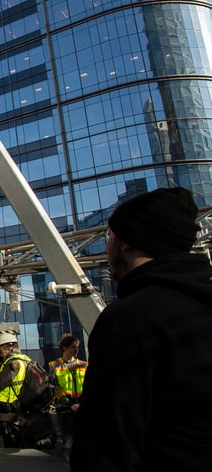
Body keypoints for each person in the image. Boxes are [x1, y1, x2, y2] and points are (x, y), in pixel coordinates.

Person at [71, 187, 212, 472]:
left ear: (127, 243)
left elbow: (103, 448)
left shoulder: (130, 320)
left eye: (109, 235)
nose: (106, 244)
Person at [0, 332, 29, 447]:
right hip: (18, 408)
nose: (0, 355)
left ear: (5, 349)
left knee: (11, 444)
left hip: (9, 410)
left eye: (0, 351)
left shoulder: (13, 364)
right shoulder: (24, 361)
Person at [48, 333, 86, 455]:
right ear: (65, 348)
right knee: (67, 442)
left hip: (81, 407)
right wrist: (70, 405)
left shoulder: (84, 365)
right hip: (64, 409)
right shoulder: (54, 366)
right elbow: (55, 388)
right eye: (73, 347)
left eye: (77, 347)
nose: (76, 350)